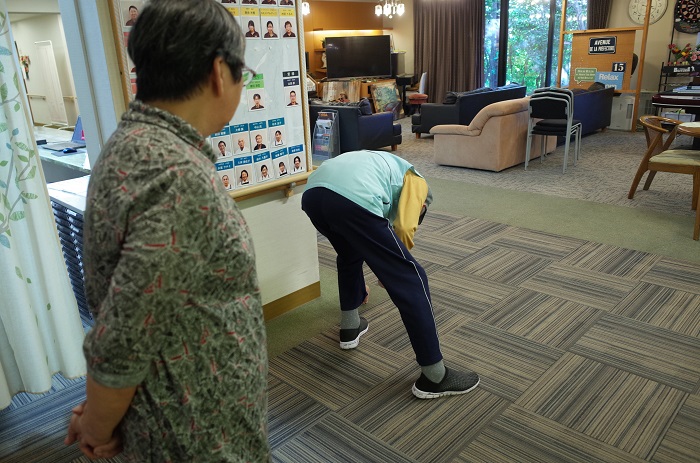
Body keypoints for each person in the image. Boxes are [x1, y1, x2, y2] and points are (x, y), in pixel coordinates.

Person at [63, 1, 269, 461]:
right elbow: (123, 338)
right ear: (219, 72)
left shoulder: (132, 144)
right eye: (243, 72)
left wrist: (104, 411)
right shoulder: (178, 177)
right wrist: (97, 425)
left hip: (172, 406)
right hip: (198, 425)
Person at [301, 150, 480, 399]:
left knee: (349, 253)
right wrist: (390, 273)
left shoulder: (384, 167)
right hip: (353, 196)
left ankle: (350, 326)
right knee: (412, 278)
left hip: (313, 195)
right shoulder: (417, 182)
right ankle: (435, 376)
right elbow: (404, 227)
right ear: (423, 206)